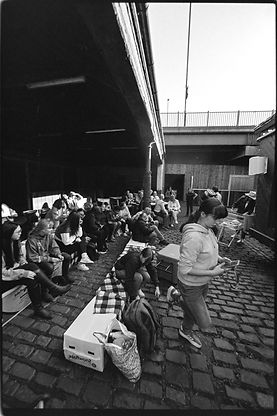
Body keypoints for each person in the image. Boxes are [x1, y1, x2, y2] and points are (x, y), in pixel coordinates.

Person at [167, 198, 230, 349]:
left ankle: (184, 327)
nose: (218, 222)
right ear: (203, 214)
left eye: (219, 219)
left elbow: (207, 251)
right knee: (203, 320)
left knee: (191, 311)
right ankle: (178, 298)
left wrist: (220, 258)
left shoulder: (208, 230)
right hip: (190, 284)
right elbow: (184, 269)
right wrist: (213, 272)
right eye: (215, 218)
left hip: (202, 281)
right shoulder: (194, 237)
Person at [2, 222, 70, 319]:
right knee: (32, 267)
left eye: (20, 231)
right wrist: (24, 272)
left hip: (13, 272)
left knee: (32, 277)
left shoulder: (15, 241)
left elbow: (20, 257)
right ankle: (53, 288)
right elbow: (3, 272)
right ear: (8, 233)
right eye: (18, 232)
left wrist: (23, 263)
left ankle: (38, 308)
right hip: (5, 278)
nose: (20, 233)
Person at [26, 220, 74, 298]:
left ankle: (64, 277)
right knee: (49, 267)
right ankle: (45, 291)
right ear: (42, 229)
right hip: (38, 260)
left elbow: (54, 246)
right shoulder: (32, 240)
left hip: (47, 255)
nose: (51, 230)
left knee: (66, 257)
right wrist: (51, 259)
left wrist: (58, 254)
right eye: (49, 228)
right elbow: (33, 257)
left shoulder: (48, 236)